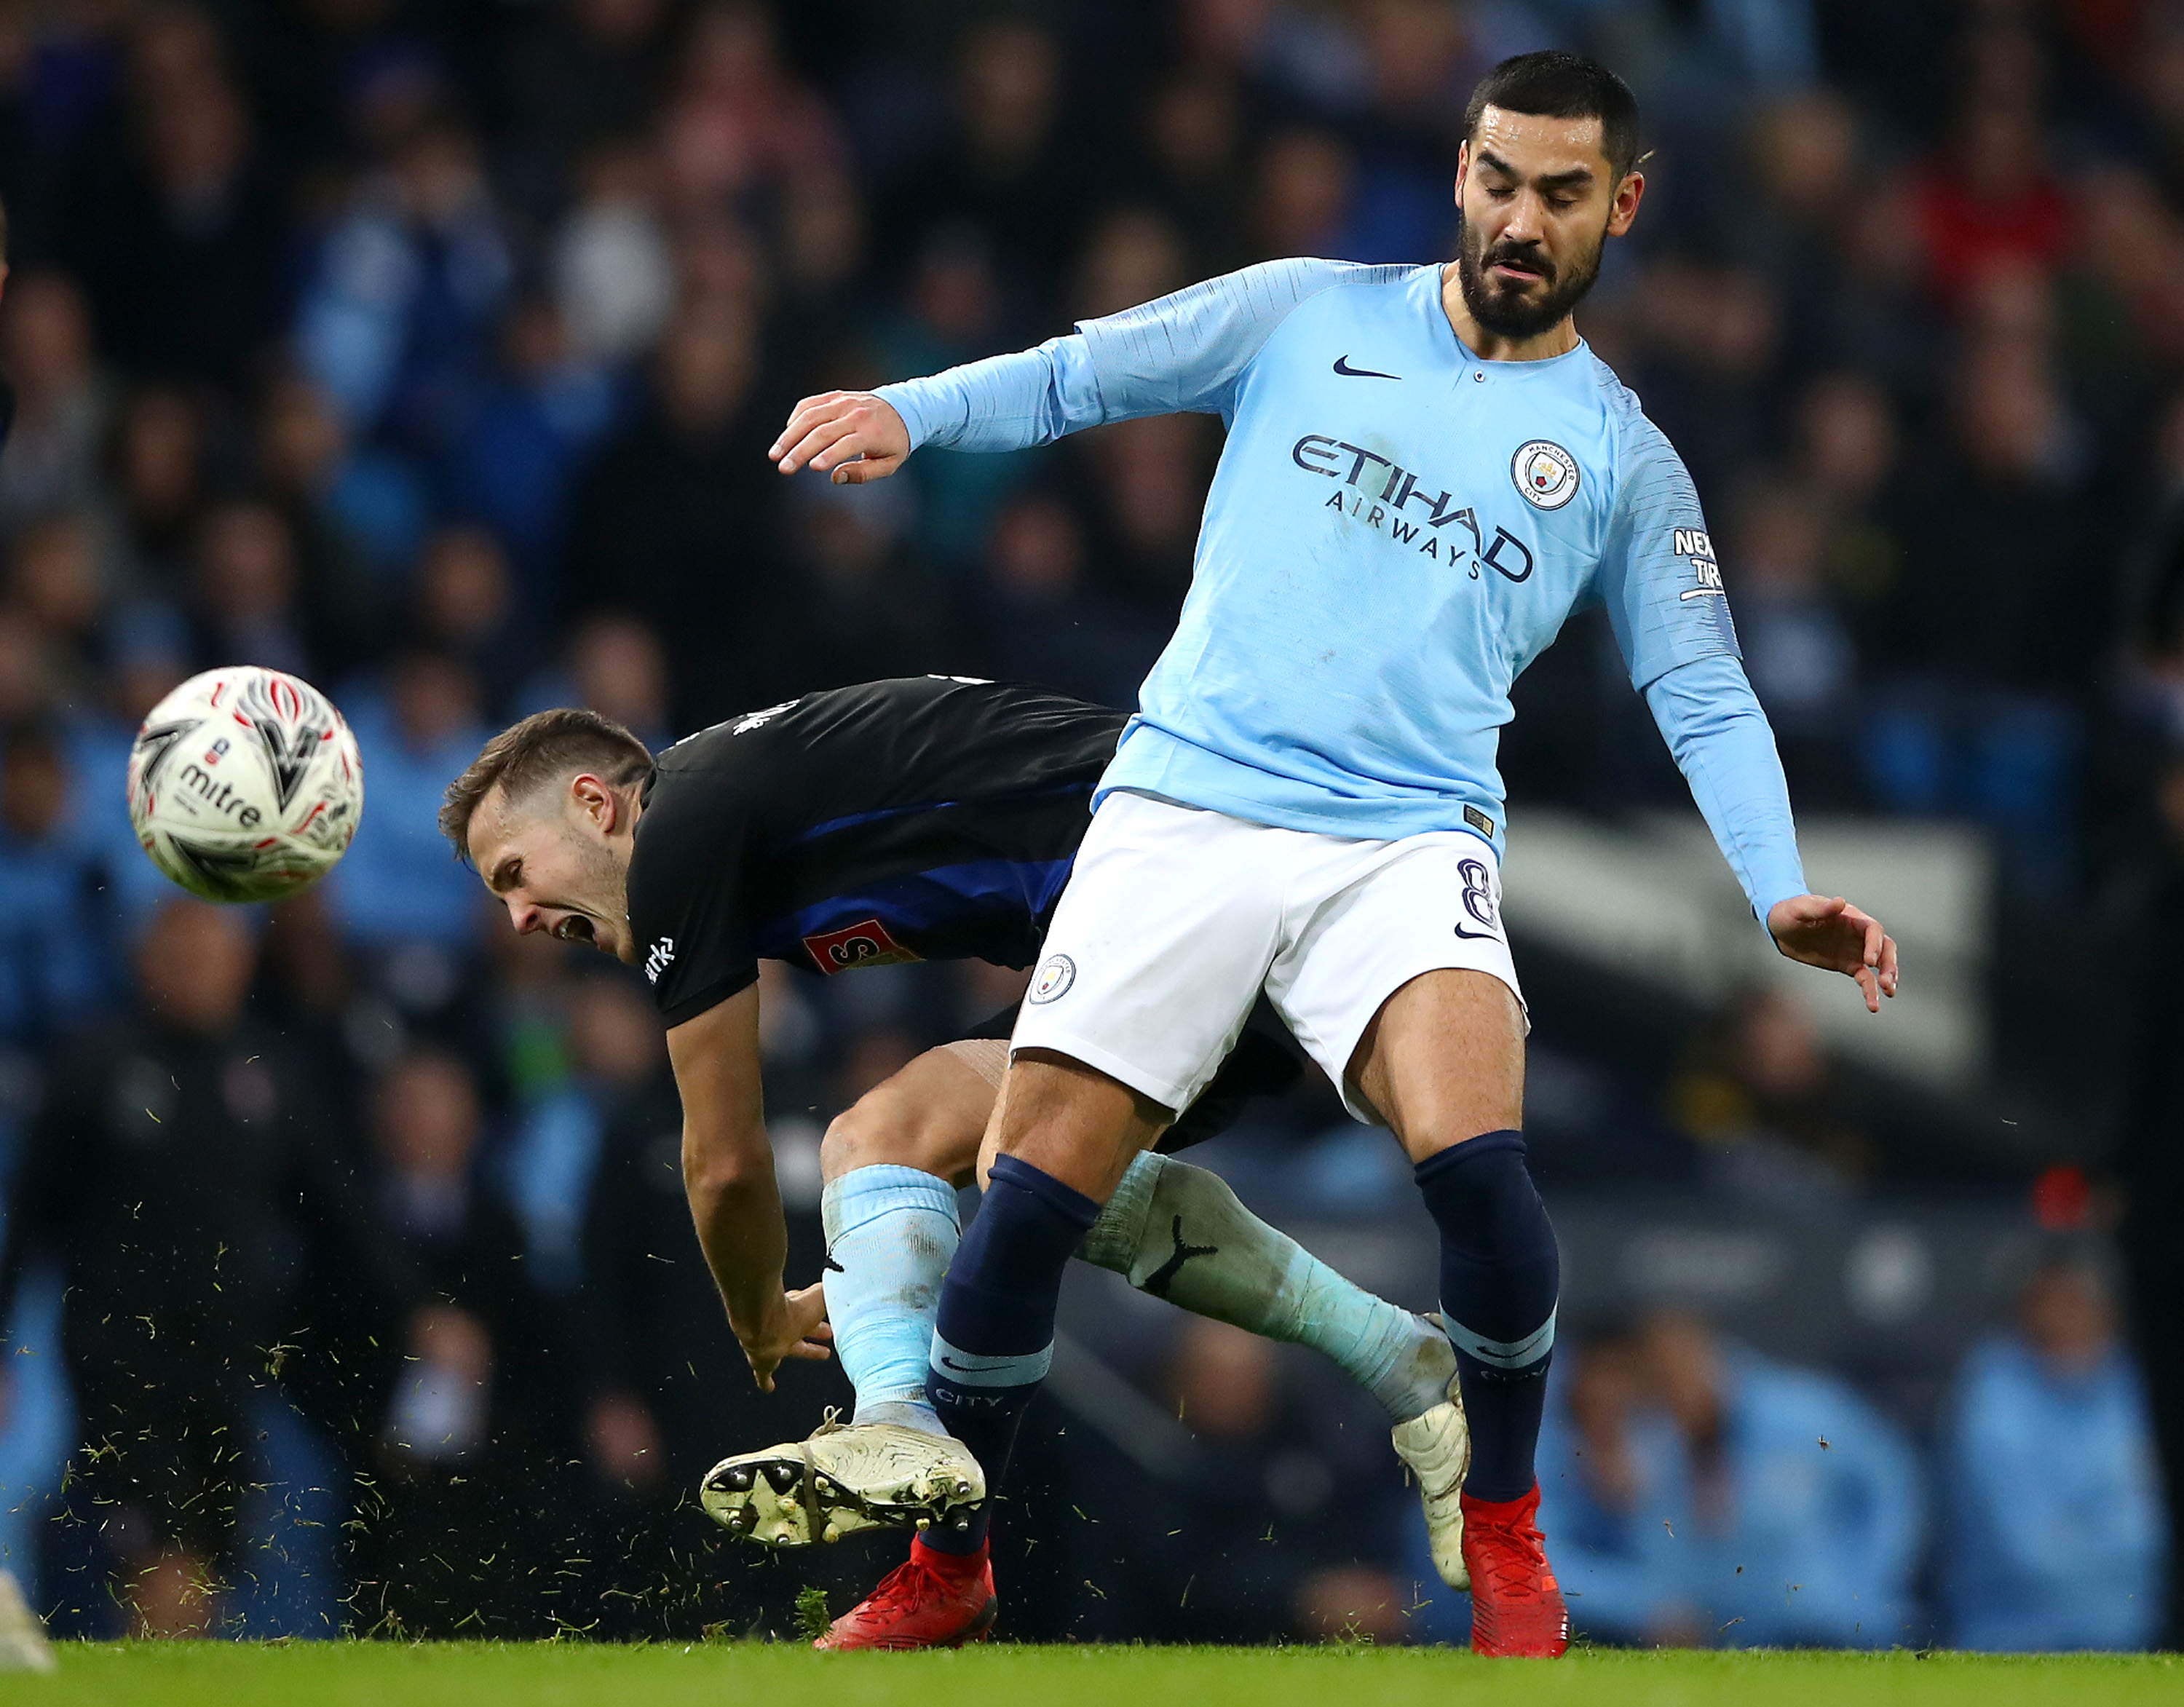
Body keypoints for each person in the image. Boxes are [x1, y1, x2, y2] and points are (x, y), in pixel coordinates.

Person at [764, 50, 1899, 1656]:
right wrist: (912, 412)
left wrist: (1774, 883)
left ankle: (1502, 1530)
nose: (1520, 218)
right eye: (1499, 180)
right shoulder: (1309, 309)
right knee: (1026, 1207)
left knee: (1482, 1174)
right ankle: (953, 1566)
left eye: (1561, 194)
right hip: (1187, 806)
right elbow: (1091, 372)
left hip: (1404, 838)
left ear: (1622, 207)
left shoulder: (1625, 460)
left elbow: (1702, 685)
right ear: (1459, 172)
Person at [436, 683, 1473, 1619]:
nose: (520, 918)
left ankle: (897, 1421)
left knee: (914, 1143)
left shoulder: (684, 832)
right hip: (1175, 892)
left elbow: (723, 1159)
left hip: (1180, 873)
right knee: (932, 1145)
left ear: (596, 804)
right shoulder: (744, 808)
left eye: (515, 873)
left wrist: (756, 1311)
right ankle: (1402, 1356)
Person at [1939, 1256, 2166, 1652]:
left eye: (2079, 1303)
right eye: (2052, 1303)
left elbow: (2158, 1532)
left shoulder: (2131, 1384)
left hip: (2140, 1643)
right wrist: (2128, 1560)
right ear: (2025, 1311)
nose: (2064, 1319)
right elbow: (2028, 1551)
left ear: (2109, 1313)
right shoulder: (1993, 1392)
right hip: (2010, 1645)